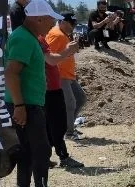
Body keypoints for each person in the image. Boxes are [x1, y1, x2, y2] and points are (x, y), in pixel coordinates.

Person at [4, 1, 64, 187]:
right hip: (26, 105)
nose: (53, 23)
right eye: (50, 19)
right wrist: (20, 106)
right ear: (38, 19)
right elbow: (11, 73)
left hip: (28, 103)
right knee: (41, 151)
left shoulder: (29, 37)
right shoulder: (23, 39)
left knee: (29, 150)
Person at [48, 13, 87, 141]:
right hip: (60, 75)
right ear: (63, 21)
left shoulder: (63, 34)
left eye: (74, 24)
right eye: (71, 23)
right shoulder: (56, 34)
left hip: (68, 75)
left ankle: (68, 127)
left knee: (80, 98)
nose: (73, 26)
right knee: (70, 103)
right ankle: (68, 133)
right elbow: (49, 56)